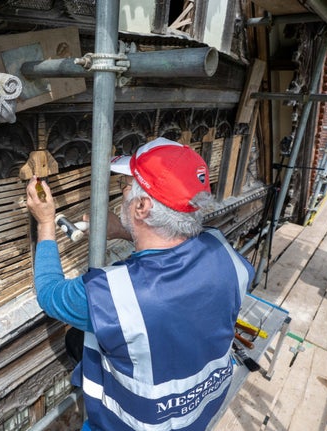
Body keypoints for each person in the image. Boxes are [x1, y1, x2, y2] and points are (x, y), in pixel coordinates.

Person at [26, 137, 255, 431]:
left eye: (129, 186)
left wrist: (45, 223)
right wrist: (125, 229)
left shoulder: (116, 295)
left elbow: (49, 294)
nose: (123, 191)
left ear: (143, 206)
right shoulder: (225, 253)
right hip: (198, 417)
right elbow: (176, 246)